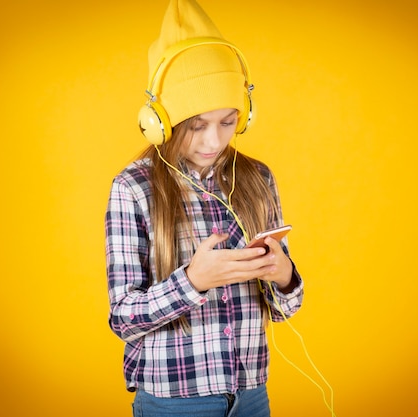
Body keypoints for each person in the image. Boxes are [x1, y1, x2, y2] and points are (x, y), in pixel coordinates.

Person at [105, 1, 304, 416]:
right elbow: (123, 317)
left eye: (228, 121)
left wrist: (283, 275)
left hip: (251, 395)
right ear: (160, 120)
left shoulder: (258, 178)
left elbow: (286, 308)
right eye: (196, 126)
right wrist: (193, 281)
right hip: (174, 402)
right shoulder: (133, 188)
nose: (214, 141)